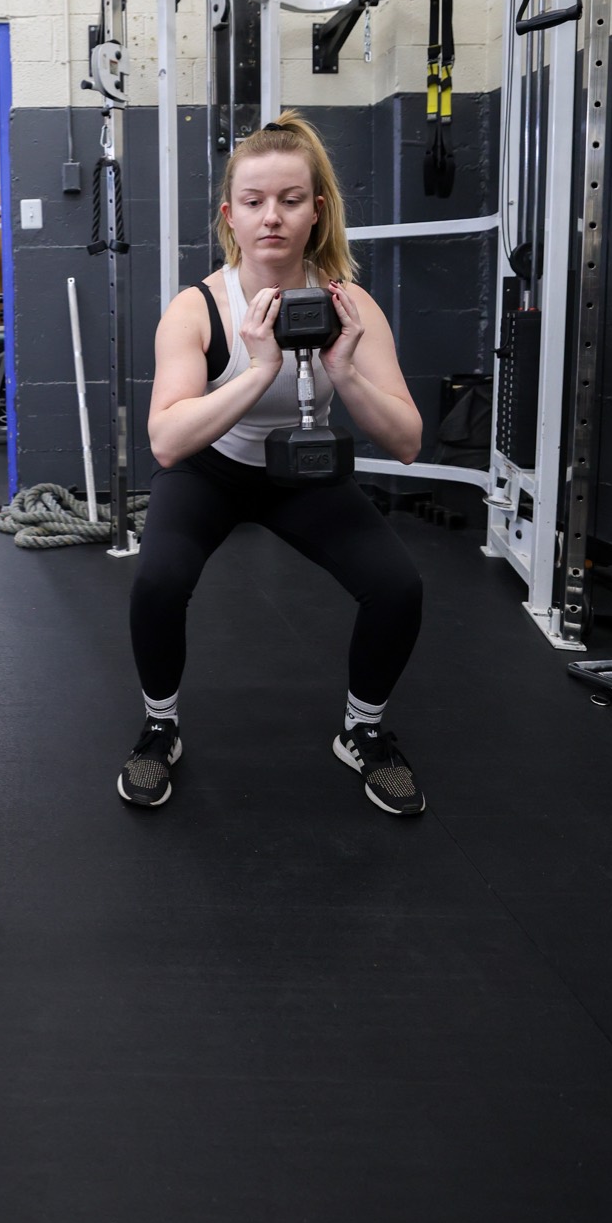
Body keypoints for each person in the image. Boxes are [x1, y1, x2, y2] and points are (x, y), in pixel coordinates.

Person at [118, 112, 426, 816]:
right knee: (158, 581)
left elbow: (408, 439)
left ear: (317, 210)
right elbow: (166, 441)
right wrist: (259, 370)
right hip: (210, 470)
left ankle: (362, 731)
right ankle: (160, 727)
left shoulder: (350, 305)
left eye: (290, 200)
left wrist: (344, 371)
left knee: (397, 587)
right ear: (231, 215)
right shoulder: (198, 307)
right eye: (254, 202)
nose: (272, 217)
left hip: (302, 474)